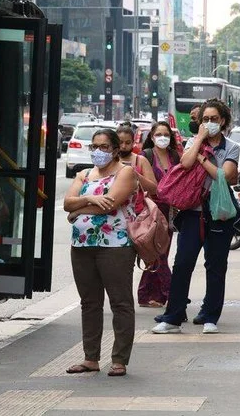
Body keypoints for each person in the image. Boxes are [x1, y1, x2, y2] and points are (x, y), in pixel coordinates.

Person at [152, 99, 240, 335]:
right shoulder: (194, 142)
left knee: (216, 265)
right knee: (182, 263)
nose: (209, 123)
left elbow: (224, 176)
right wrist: (200, 140)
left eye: (214, 119)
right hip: (193, 212)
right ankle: (173, 317)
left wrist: (203, 159)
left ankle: (210, 316)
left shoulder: (231, 148)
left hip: (219, 213)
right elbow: (185, 162)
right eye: (205, 119)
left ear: (223, 121)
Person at [64, 129, 137, 377]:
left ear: (115, 150)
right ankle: (90, 358)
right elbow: (67, 203)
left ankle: (119, 360)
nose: (98, 151)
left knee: (120, 302)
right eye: (94, 146)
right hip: (82, 244)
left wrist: (79, 209)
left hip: (115, 245)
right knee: (89, 303)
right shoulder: (84, 174)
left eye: (104, 147)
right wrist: (92, 200)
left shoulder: (125, 172)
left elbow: (111, 204)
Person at [137, 121, 179, 308]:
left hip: (169, 210)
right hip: (151, 209)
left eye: (166, 134)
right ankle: (171, 292)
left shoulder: (174, 156)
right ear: (152, 137)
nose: (163, 138)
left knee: (162, 253)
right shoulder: (145, 156)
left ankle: (151, 295)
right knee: (156, 253)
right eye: (159, 134)